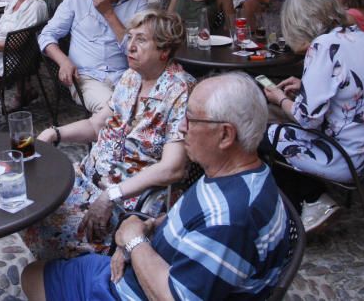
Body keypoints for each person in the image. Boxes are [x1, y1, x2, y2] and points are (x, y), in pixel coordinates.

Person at [22, 72, 288, 301]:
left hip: (137, 289)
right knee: (40, 271)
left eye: (192, 120)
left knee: (32, 277)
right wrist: (147, 227)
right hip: (143, 266)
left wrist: (134, 240)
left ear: (226, 135)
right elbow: (192, 224)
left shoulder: (231, 217)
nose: (181, 128)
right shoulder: (239, 175)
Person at [23, 9, 193, 259]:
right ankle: (62, 272)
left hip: (128, 200)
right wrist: (53, 133)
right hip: (89, 178)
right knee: (28, 198)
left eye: (141, 40)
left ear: (164, 51)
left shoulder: (181, 90)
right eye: (130, 37)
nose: (130, 46)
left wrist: (111, 194)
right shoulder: (131, 78)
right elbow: (96, 126)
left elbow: (173, 168)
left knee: (41, 218)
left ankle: (74, 276)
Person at [263, 0, 364, 232]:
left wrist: (279, 98)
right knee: (280, 129)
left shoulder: (323, 46)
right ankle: (312, 199)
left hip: (345, 155)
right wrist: (306, 85)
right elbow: (353, 86)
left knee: (263, 134)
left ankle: (305, 204)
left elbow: (307, 119)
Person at [39, 0, 149, 113]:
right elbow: (47, 35)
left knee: (147, 111)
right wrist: (63, 61)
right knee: (112, 111)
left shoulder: (138, 3)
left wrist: (109, 13)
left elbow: (138, 51)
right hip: (87, 77)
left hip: (127, 76)